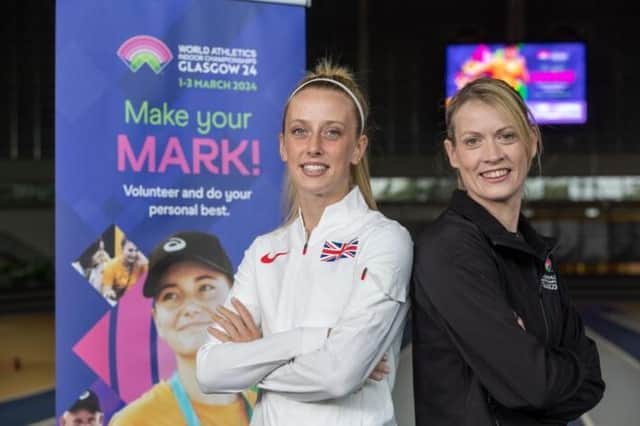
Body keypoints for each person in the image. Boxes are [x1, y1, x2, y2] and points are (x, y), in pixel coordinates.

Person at [196, 60, 413, 425]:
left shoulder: (385, 240)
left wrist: (250, 358)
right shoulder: (265, 249)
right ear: (283, 146)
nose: (313, 147)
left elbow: (338, 375)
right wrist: (312, 340)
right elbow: (208, 371)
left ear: (358, 148)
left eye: (331, 133)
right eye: (300, 131)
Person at [412, 77, 605, 425]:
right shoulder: (450, 248)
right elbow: (535, 386)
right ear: (453, 154)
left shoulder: (534, 251)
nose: (492, 155)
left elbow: (593, 382)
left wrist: (537, 366)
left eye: (507, 136)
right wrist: (549, 368)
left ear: (531, 143)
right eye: (473, 141)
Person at [109, 231, 256, 426]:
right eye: (170, 295)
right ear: (157, 321)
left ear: (235, 297)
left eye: (205, 288)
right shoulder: (135, 422)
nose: (191, 308)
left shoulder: (276, 408)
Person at [101, 238, 147, 302]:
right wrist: (110, 293)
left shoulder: (142, 264)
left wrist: (145, 264)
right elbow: (106, 290)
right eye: (130, 250)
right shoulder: (111, 266)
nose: (134, 254)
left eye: (137, 250)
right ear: (122, 250)